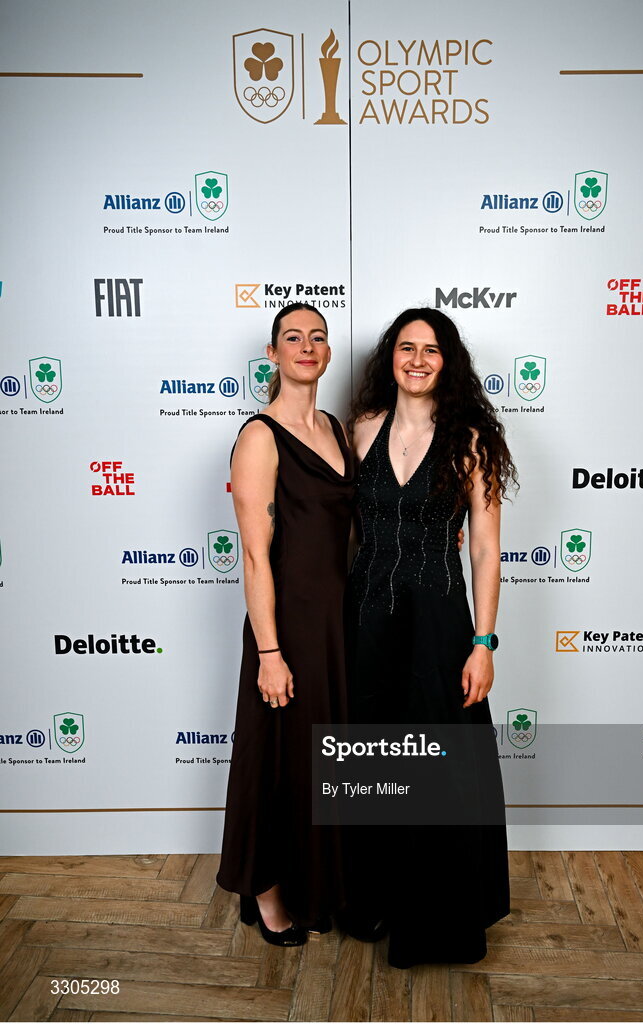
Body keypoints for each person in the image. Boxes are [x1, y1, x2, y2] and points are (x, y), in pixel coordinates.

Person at [343, 307, 516, 968]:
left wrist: (483, 642)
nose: (417, 359)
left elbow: (486, 551)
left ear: (448, 362)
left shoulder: (469, 439)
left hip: (440, 626)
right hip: (364, 620)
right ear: (390, 357)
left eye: (431, 350)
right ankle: (373, 897)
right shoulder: (360, 432)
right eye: (406, 348)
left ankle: (437, 920)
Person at [216, 303, 355, 946]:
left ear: (328, 353)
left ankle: (314, 884)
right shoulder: (259, 436)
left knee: (319, 763)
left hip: (337, 623)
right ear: (272, 354)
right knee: (275, 759)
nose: (307, 346)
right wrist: (269, 651)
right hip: (287, 627)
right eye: (293, 337)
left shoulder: (336, 427)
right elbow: (253, 554)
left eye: (318, 337)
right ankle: (266, 894)